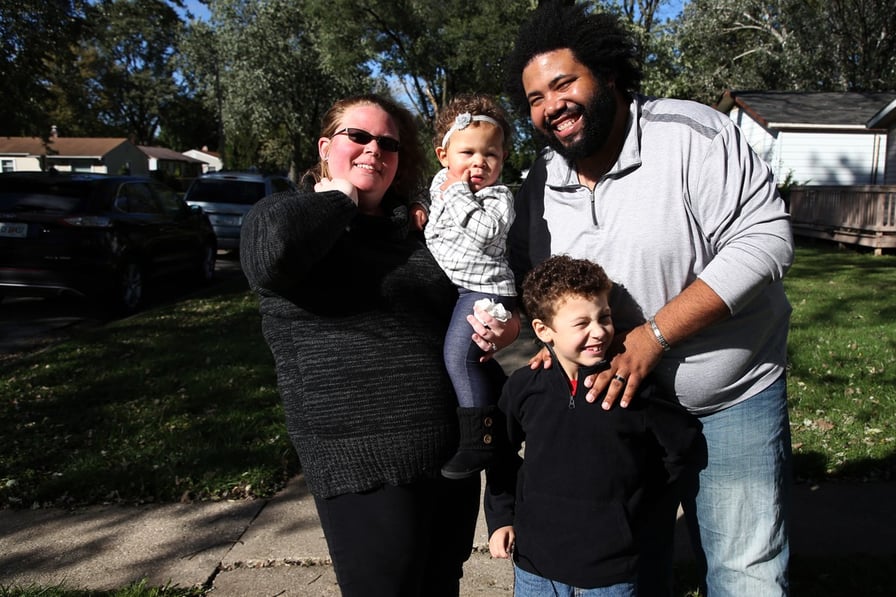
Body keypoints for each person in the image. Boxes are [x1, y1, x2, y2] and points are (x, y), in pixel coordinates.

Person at [469, 3, 797, 596]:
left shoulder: (692, 136)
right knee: (630, 564)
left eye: (564, 83)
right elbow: (537, 283)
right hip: (614, 412)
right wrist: (552, 345)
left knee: (744, 570)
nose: (551, 107)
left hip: (727, 396)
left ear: (610, 74)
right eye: (536, 99)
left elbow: (765, 242)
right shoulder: (543, 180)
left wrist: (655, 335)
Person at [239, 94, 511, 596]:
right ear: (325, 147)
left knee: (440, 586)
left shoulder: (416, 229)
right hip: (364, 463)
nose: (374, 150)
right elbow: (270, 257)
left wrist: (506, 328)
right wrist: (340, 197)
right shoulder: (282, 214)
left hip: (448, 458)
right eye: (358, 137)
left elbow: (473, 295)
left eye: (389, 143)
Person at [485, 254, 701, 597]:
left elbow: (682, 448)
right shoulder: (525, 387)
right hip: (535, 564)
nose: (599, 331)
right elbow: (500, 453)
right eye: (581, 323)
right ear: (544, 331)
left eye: (605, 317)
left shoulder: (632, 390)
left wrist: (639, 513)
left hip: (611, 570)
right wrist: (501, 518)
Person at [418, 94, 518, 479]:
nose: (479, 162)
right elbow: (434, 213)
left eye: (490, 155)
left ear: (503, 158)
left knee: (459, 358)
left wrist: (458, 194)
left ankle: (480, 444)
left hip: (485, 288)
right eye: (468, 153)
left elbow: (485, 232)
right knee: (474, 362)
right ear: (443, 155)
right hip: (458, 289)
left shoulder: (498, 197)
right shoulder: (440, 183)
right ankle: (508, 422)